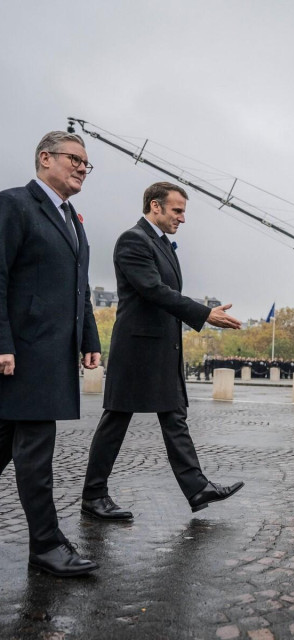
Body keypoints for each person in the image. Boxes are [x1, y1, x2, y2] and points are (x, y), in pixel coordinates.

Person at [82, 182, 244, 521]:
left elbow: (163, 292)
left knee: (174, 418)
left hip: (162, 348)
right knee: (116, 420)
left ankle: (197, 487)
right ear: (155, 207)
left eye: (184, 211)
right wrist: (204, 314)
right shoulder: (133, 240)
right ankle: (93, 496)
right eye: (177, 210)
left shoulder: (163, 245)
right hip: (137, 350)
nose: (183, 218)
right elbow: (153, 290)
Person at [0, 131, 101, 577]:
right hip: (22, 355)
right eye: (74, 159)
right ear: (45, 158)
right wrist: (1, 343)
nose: (82, 167)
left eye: (86, 163)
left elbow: (80, 289)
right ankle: (45, 546)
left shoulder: (73, 220)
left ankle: (47, 541)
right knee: (36, 454)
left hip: (50, 355)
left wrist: (90, 340)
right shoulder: (14, 204)